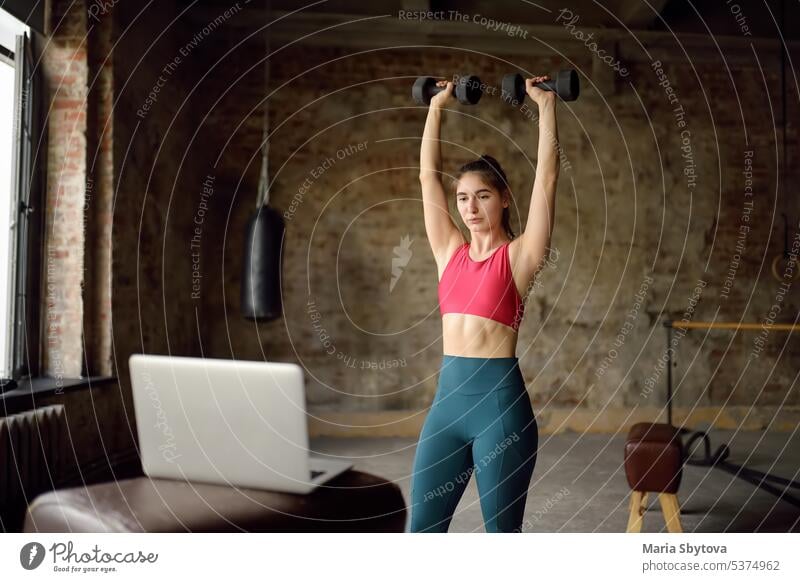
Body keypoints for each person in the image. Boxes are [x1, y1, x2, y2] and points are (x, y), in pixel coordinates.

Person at [409, 75, 560, 532]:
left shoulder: (519, 257)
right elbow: (425, 177)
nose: (470, 208)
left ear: (504, 199)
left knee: (500, 537)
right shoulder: (447, 252)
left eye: (482, 196)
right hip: (447, 407)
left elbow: (548, 177)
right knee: (422, 531)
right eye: (462, 198)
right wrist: (437, 106)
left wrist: (547, 106)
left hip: (500, 409)